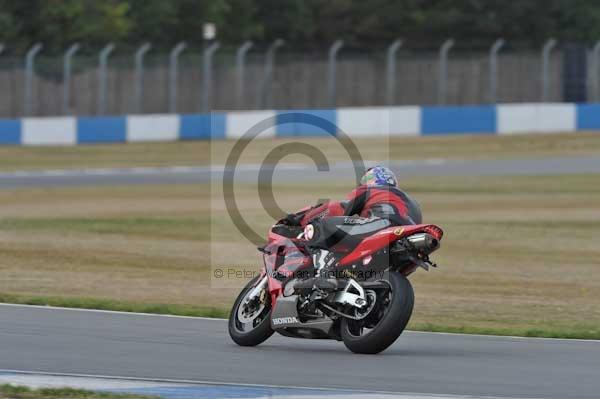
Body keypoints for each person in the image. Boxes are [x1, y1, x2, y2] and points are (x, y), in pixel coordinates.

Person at [284, 165, 422, 291]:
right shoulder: (412, 202)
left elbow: (338, 208)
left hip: (382, 225)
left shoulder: (371, 190)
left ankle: (323, 275)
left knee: (320, 226)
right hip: (405, 239)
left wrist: (302, 219)